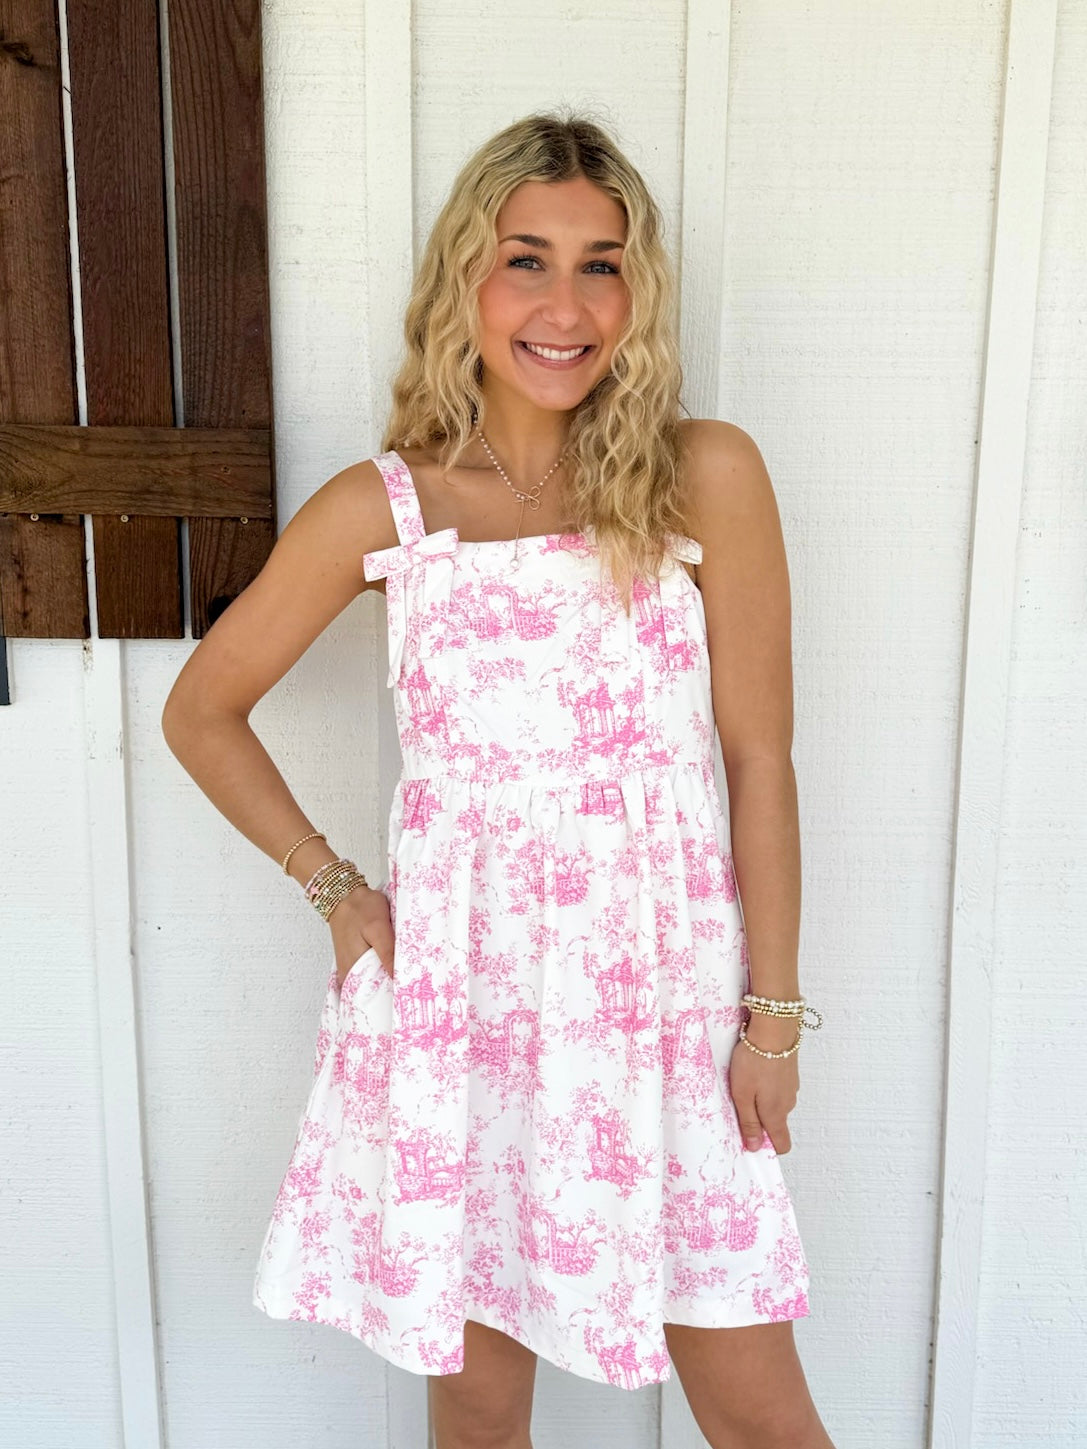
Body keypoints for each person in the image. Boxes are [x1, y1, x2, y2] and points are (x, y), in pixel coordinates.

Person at [162, 111, 836, 1449]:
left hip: (664, 1012)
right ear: (463, 277)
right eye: (527, 260)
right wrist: (338, 892)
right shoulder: (386, 511)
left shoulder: (705, 476)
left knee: (758, 1411)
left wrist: (772, 1016)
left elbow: (761, 758)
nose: (564, 307)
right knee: (477, 1416)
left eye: (602, 265)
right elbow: (203, 711)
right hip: (462, 1011)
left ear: (637, 294)